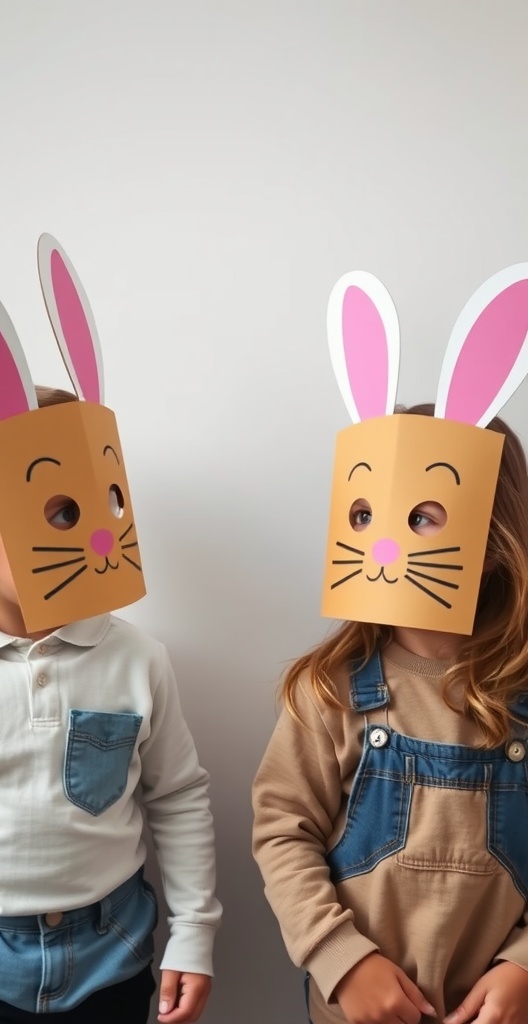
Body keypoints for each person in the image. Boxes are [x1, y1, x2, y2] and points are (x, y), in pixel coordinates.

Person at [0, 233, 221, 1024]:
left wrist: (194, 936)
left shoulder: (137, 659)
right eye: (61, 514)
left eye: (104, 503)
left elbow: (177, 797)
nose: (98, 533)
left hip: (113, 959)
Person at [253, 261, 528, 1024]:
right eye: (369, 514)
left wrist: (524, 968)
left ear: (495, 538)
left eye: (422, 518)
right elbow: (284, 833)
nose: (384, 544)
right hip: (357, 1010)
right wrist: (344, 962)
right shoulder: (332, 691)